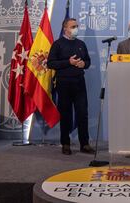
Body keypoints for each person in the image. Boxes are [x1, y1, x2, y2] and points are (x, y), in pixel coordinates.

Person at [47, 18, 95, 155]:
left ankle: (84, 144)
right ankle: (65, 143)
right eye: (73, 26)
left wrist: (83, 64)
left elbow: (88, 61)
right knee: (65, 114)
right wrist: (68, 62)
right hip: (64, 83)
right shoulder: (57, 44)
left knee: (82, 114)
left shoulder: (81, 44)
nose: (76, 29)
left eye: (77, 26)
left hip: (79, 83)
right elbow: (51, 63)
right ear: (65, 28)